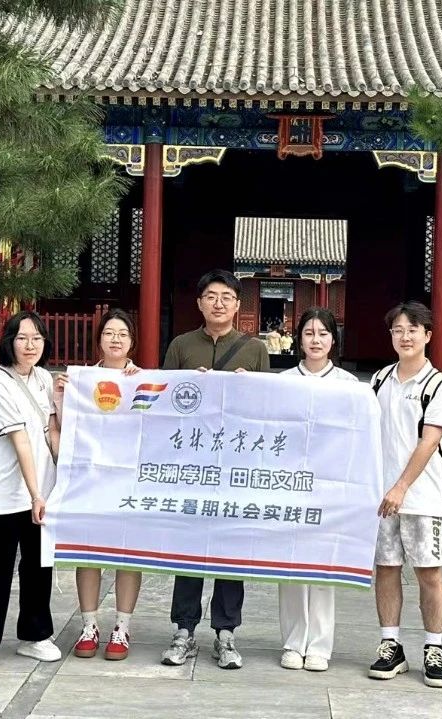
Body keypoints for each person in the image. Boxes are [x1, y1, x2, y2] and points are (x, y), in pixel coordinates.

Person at [159, 269, 270, 670]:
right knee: (189, 550)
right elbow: (164, 403)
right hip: (192, 465)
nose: (218, 303)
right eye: (211, 296)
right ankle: (184, 630)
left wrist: (247, 387)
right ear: (199, 303)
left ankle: (226, 632)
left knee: (230, 550)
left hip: (234, 466)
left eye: (226, 297)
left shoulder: (255, 350)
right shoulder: (181, 345)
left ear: (238, 305)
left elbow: (266, 411)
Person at [0, 310, 63, 668]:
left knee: (39, 566)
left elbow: (51, 432)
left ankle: (35, 636)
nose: (30, 345)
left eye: (37, 338)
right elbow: (21, 442)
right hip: (7, 494)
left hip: (42, 491)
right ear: (9, 342)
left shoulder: (43, 378)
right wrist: (35, 494)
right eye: (22, 338)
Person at [367, 301, 442, 688]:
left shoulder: (438, 386)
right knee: (386, 568)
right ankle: (391, 644)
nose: (405, 336)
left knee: (429, 573)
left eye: (412, 329)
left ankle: (434, 647)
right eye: (398, 330)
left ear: (427, 335)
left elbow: (428, 442)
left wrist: (401, 487)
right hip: (381, 497)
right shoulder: (379, 380)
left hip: (422, 497)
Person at [53, 308, 143, 661]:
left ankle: (122, 627)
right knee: (88, 552)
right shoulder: (81, 380)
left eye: (123, 333)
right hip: (89, 481)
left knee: (127, 552)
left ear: (132, 341)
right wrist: (62, 396)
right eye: (109, 333)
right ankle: (89, 625)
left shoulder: (143, 381)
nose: (115, 339)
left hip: (128, 482)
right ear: (99, 339)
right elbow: (66, 429)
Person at [277, 308, 357, 673]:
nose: (315, 340)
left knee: (323, 567)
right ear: (298, 339)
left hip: (330, 486)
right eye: (308, 333)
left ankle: (320, 645)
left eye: (323, 333)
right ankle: (294, 642)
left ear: (333, 340)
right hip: (291, 485)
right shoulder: (283, 382)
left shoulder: (348, 384)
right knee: (292, 565)